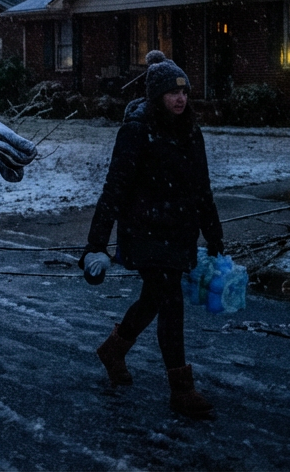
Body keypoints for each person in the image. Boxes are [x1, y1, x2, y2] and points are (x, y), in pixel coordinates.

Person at [81, 59, 225, 420]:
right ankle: (181, 388)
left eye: (184, 91)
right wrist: (95, 244)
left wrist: (214, 234)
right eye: (172, 92)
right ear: (156, 95)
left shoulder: (191, 130)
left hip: (178, 231)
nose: (179, 98)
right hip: (144, 231)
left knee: (154, 298)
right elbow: (114, 187)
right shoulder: (136, 129)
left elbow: (201, 186)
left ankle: (114, 349)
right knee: (171, 301)